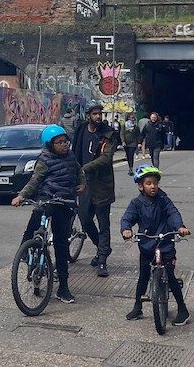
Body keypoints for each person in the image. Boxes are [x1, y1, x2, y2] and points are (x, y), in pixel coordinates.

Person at [13, 124, 85, 304]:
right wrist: (22, 196)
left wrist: (82, 184)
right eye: (60, 142)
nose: (64, 145)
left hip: (65, 201)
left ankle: (63, 288)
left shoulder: (71, 157)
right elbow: (35, 180)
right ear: (50, 145)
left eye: (65, 141)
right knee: (37, 215)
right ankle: (26, 248)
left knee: (61, 244)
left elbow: (79, 171)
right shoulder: (44, 160)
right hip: (47, 197)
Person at [120, 165, 191, 326]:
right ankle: (137, 307)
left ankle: (182, 309)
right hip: (147, 245)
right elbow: (127, 217)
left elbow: (173, 213)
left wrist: (180, 227)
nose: (153, 186)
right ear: (141, 186)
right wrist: (126, 229)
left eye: (155, 183)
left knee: (170, 276)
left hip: (165, 243)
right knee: (143, 276)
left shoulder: (163, 200)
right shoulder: (136, 203)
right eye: (149, 183)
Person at [72, 102, 119, 276]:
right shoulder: (81, 130)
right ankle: (102, 247)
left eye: (100, 113)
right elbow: (74, 152)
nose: (98, 116)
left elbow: (106, 158)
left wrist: (84, 168)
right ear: (88, 116)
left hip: (102, 184)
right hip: (84, 184)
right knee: (84, 219)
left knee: (103, 223)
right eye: (94, 114)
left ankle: (102, 261)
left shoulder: (108, 134)